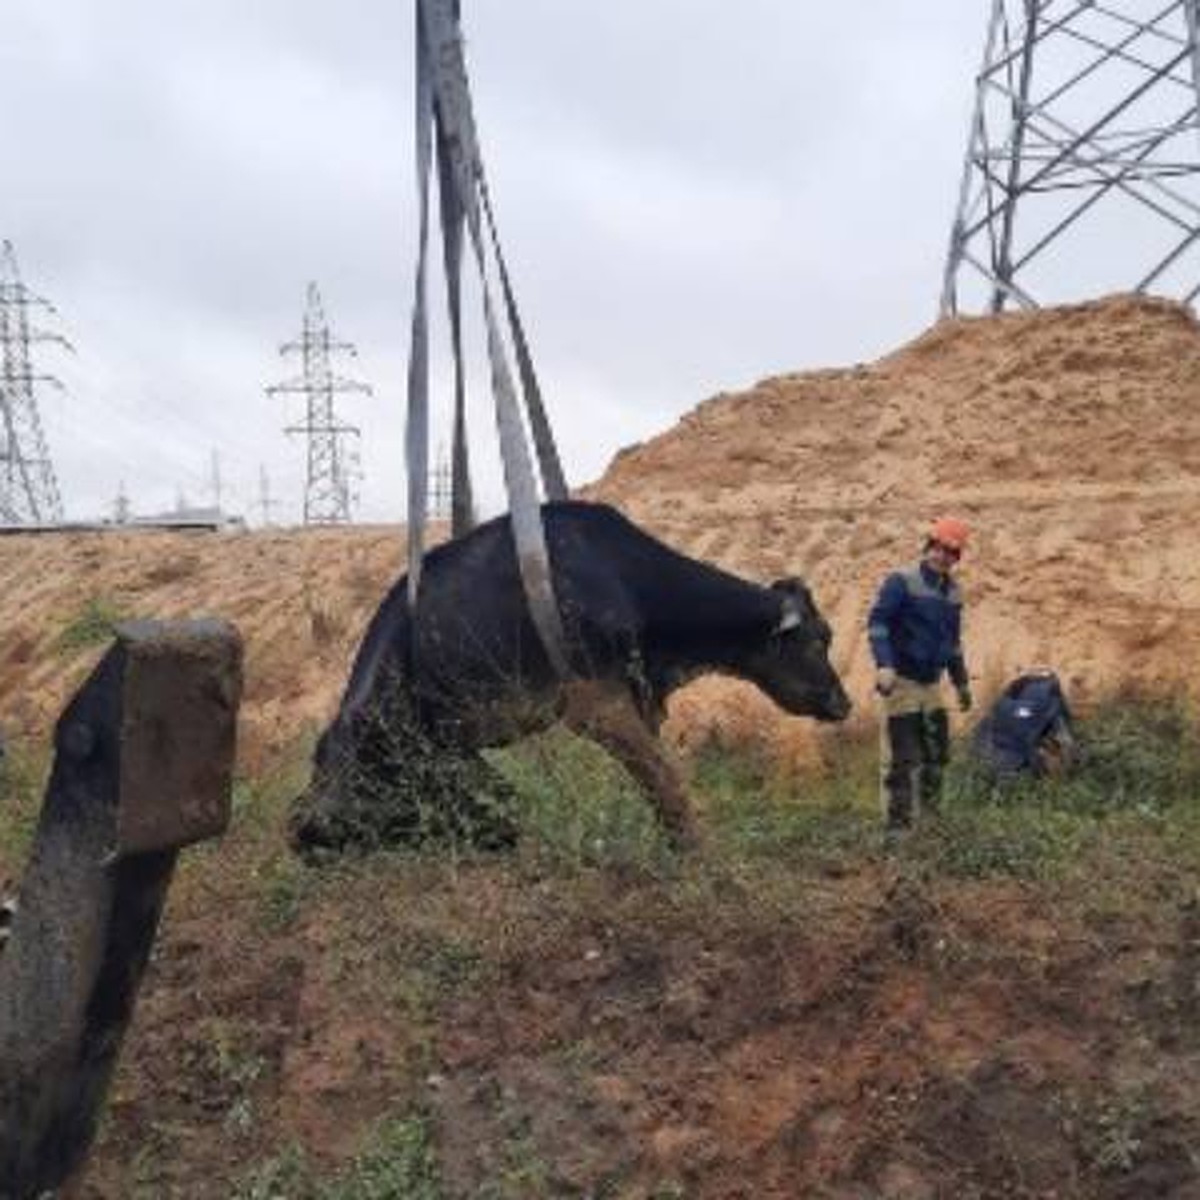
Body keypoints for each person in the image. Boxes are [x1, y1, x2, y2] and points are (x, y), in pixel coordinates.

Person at [867, 517, 973, 839]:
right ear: (929, 546)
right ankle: (896, 832)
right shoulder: (901, 581)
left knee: (936, 755)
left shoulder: (953, 593)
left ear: (957, 558)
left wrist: (961, 682)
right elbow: (878, 624)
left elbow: (953, 643)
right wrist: (884, 664)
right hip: (901, 682)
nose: (943, 556)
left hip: (931, 684)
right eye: (939, 548)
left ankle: (930, 823)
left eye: (951, 552)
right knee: (903, 758)